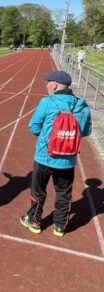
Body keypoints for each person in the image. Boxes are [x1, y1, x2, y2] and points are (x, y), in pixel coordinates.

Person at [20, 71, 92, 237]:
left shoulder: (47, 102)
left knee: (38, 191)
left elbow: (34, 127)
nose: (46, 85)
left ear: (54, 85)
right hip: (68, 160)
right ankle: (60, 226)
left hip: (45, 157)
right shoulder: (82, 105)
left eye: (48, 82)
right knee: (64, 193)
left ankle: (35, 221)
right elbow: (86, 131)